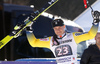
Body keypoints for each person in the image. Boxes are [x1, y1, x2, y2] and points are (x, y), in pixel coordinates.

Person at [26, 11, 100, 64]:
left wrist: (96, 23)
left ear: (64, 27)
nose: (58, 30)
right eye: (56, 28)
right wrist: (29, 30)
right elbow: (34, 43)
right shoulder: (50, 40)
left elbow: (91, 35)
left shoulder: (73, 36)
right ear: (53, 29)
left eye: (60, 27)